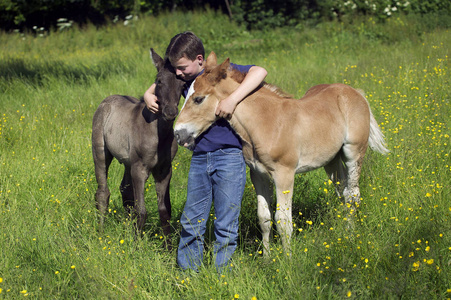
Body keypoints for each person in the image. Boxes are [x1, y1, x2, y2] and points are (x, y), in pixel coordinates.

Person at [144, 31, 267, 273]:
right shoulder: (182, 79)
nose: (178, 73)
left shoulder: (217, 75)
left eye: (181, 67)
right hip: (200, 159)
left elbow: (260, 71)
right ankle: (188, 274)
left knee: (226, 223)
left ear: (199, 60)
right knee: (191, 220)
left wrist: (232, 99)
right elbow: (161, 80)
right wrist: (149, 94)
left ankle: (223, 276)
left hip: (230, 157)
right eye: (175, 68)